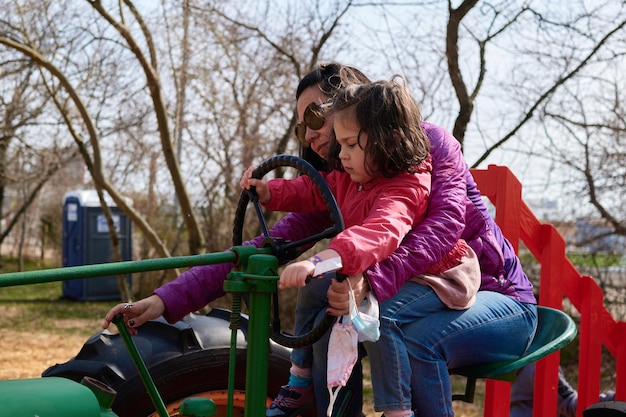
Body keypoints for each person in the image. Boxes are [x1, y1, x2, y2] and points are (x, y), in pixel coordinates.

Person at [102, 62, 537, 417]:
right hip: (418, 296)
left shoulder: (427, 145)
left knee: (391, 323)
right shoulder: (346, 180)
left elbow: (439, 230)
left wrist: (370, 280)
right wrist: (165, 303)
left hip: (487, 293)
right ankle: (326, 402)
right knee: (336, 303)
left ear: (352, 105)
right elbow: (267, 247)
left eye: (314, 117)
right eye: (300, 126)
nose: (308, 134)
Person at [240, 77, 482, 417]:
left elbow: (378, 232)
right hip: (391, 270)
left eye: (351, 144)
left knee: (382, 313)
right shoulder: (352, 175)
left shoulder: (405, 186)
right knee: (314, 294)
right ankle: (301, 379)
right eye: (340, 144)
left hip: (439, 276)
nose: (342, 155)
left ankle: (398, 409)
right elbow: (313, 191)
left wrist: (320, 261)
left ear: (389, 140)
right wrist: (270, 193)